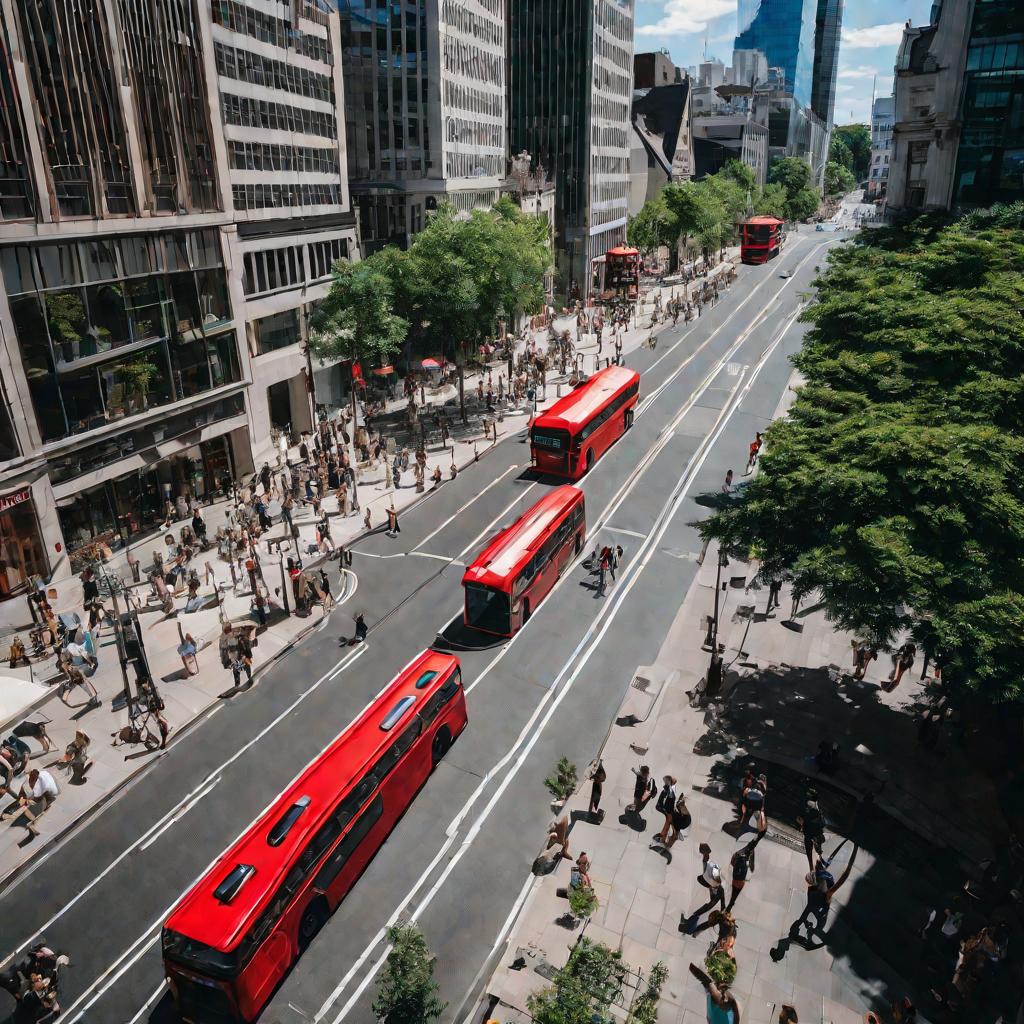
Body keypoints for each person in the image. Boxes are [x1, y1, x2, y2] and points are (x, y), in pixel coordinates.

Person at [2, 768, 59, 836]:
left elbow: (23, 802)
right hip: (22, 811)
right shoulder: (32, 789)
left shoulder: (37, 793)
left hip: (24, 812)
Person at [727, 833, 764, 910]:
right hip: (739, 874)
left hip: (741, 873)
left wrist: (751, 866)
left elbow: (752, 853)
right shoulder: (741, 853)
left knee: (737, 889)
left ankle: (731, 903)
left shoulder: (749, 850)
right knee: (737, 888)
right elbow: (734, 862)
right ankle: (731, 903)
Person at [653, 775, 678, 846]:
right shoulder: (669, 789)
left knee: (667, 823)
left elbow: (668, 801)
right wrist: (669, 812)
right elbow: (668, 802)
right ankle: (662, 838)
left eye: (666, 781)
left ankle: (662, 837)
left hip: (665, 809)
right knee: (668, 823)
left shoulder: (669, 789)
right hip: (666, 809)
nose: (664, 782)